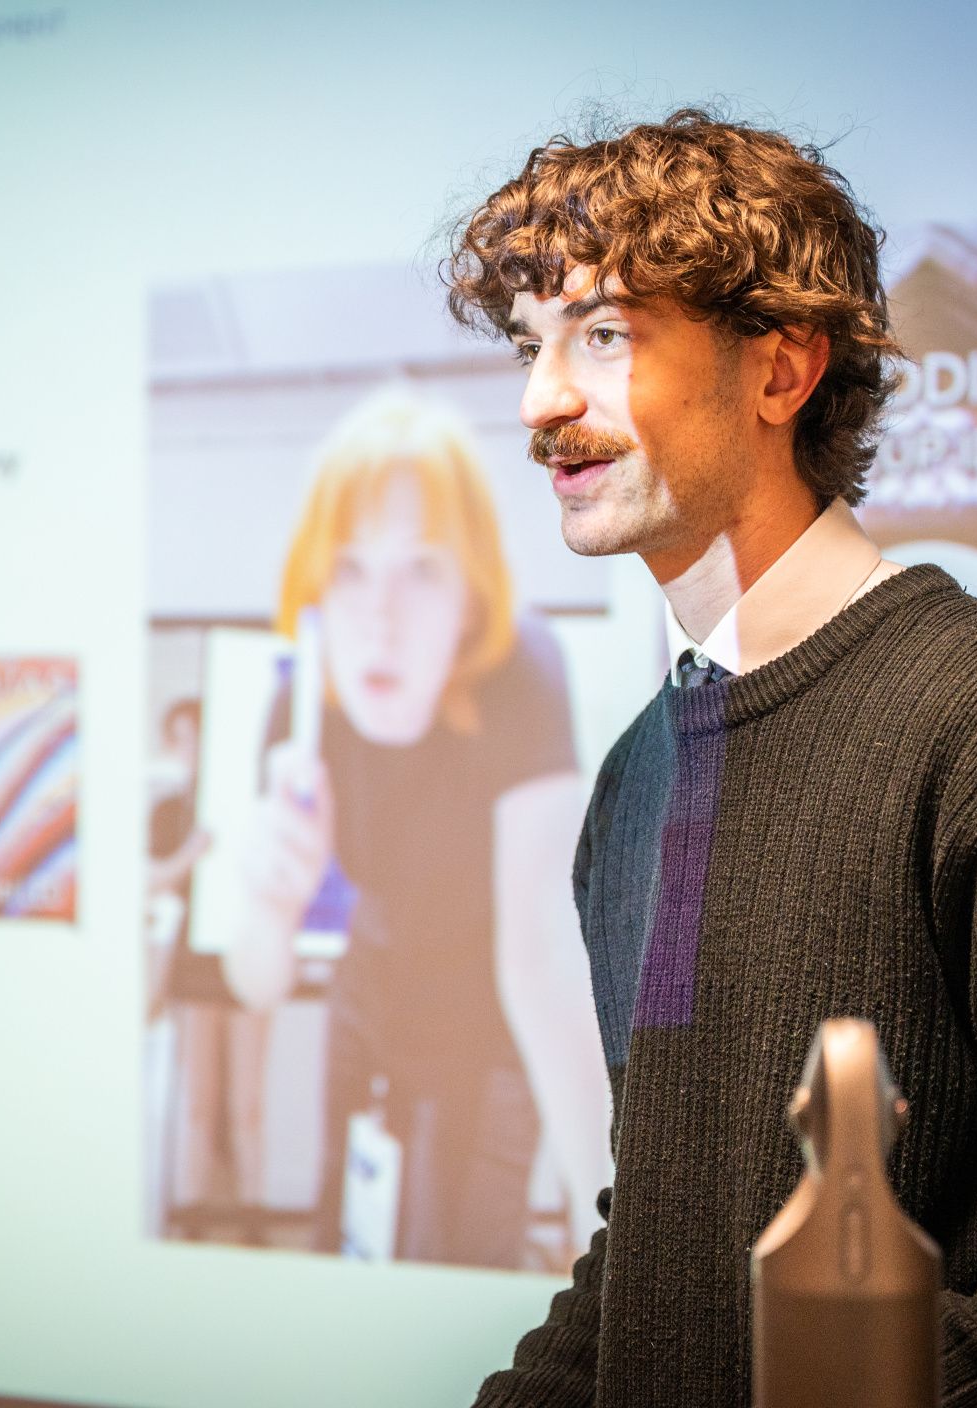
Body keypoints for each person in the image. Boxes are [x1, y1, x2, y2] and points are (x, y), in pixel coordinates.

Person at [445, 109, 977, 1405]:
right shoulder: (639, 781)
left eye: (602, 335)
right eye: (529, 342)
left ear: (781, 372)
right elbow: (661, 1228)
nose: (540, 399)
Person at [219, 387, 611, 1269]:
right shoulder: (304, 702)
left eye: (420, 571)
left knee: (458, 1259)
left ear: (469, 595)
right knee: (346, 1246)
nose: (378, 618)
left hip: (487, 1029)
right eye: (350, 570)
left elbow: (541, 959)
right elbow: (256, 982)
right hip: (368, 999)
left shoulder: (520, 671)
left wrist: (609, 1220)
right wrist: (266, 910)